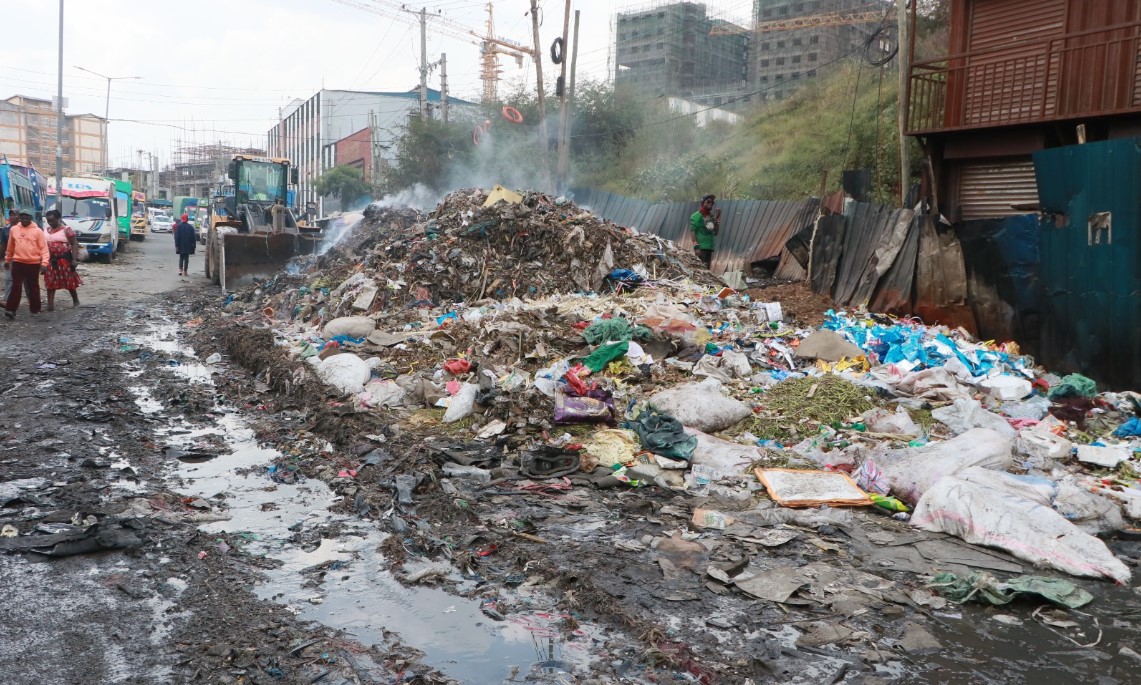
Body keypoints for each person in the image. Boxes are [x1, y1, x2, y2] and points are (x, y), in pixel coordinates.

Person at [3, 210, 48, 319]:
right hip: (18, 262)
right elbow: (10, 247)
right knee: (16, 286)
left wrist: (44, 263)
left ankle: (35, 309)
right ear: (20, 218)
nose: (25, 220)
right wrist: (7, 260)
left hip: (33, 262)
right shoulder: (14, 229)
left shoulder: (38, 231)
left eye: (27, 218)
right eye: (22, 218)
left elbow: (44, 249)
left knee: (33, 286)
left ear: (31, 218)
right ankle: (11, 310)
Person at [43, 209, 82, 311]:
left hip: (64, 260)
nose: (50, 223)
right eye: (48, 221)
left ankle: (75, 300)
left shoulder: (66, 229)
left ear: (58, 219)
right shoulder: (45, 231)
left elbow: (74, 244)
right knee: (50, 281)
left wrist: (74, 259)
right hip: (51, 260)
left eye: (53, 220)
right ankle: (50, 305)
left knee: (69, 281)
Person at [690, 193, 720, 269]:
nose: (711, 204)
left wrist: (718, 217)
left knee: (706, 270)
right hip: (701, 248)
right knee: (701, 270)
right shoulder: (696, 215)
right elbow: (693, 231)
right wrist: (696, 247)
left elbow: (715, 232)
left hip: (709, 248)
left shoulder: (710, 217)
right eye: (708, 202)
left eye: (712, 202)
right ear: (703, 203)